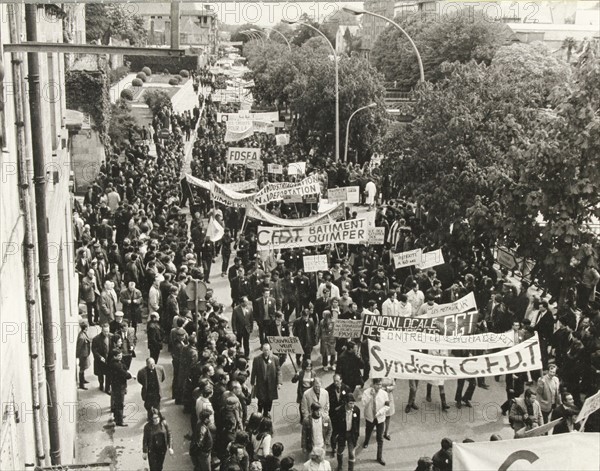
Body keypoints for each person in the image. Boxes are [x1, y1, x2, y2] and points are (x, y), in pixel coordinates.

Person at [361, 378, 389, 466]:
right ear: (373, 384)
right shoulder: (366, 392)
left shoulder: (384, 393)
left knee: (380, 438)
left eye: (380, 384)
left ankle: (379, 457)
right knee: (368, 430)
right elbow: (363, 403)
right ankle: (366, 441)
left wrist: (380, 412)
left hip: (380, 418)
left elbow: (387, 406)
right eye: (377, 384)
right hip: (370, 417)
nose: (379, 386)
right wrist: (371, 396)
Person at [250, 343, 282, 416]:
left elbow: (279, 371)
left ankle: (266, 412)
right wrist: (252, 382)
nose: (266, 352)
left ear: (270, 350)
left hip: (271, 384)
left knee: (269, 400)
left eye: (267, 350)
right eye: (264, 350)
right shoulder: (257, 359)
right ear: (262, 350)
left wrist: (279, 382)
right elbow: (254, 371)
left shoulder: (275, 358)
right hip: (261, 384)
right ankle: (260, 413)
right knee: (261, 399)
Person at [332, 394, 360, 471]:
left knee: (351, 453)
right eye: (350, 403)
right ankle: (340, 467)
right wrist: (335, 436)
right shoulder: (339, 411)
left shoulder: (357, 410)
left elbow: (357, 424)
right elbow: (335, 426)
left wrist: (357, 435)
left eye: (353, 403)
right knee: (340, 450)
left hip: (351, 434)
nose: (352, 405)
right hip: (342, 434)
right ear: (346, 403)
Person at [109, 349, 132, 426]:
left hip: (116, 385)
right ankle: (120, 421)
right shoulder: (116, 365)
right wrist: (131, 375)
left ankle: (117, 417)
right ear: (114, 356)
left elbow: (124, 367)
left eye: (121, 355)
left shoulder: (116, 362)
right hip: (119, 386)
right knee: (120, 403)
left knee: (117, 402)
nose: (121, 357)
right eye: (119, 356)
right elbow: (124, 373)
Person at [91, 324, 113, 393]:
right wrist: (100, 357)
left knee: (109, 374)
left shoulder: (111, 337)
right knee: (100, 374)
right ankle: (101, 384)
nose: (106, 333)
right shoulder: (96, 339)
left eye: (107, 331)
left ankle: (107, 388)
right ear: (102, 330)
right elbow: (94, 350)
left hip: (109, 359)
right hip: (100, 360)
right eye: (105, 331)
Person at [76, 320, 91, 390]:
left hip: (85, 353)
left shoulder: (83, 333)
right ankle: (81, 384)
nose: (88, 328)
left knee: (84, 367)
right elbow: (79, 347)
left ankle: (83, 379)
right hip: (83, 355)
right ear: (85, 328)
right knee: (82, 368)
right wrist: (77, 356)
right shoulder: (81, 337)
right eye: (87, 327)